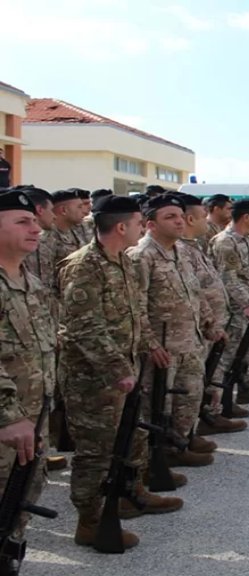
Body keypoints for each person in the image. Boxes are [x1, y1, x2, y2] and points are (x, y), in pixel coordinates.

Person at [60, 195, 173, 550]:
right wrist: (115, 368)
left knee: (130, 437)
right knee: (96, 451)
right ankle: (90, 521)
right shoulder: (84, 265)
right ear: (122, 227)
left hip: (125, 368)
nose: (143, 228)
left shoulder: (122, 260)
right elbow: (84, 326)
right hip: (93, 378)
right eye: (140, 223)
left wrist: (147, 346)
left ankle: (130, 493)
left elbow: (136, 312)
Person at [127, 194, 216, 469]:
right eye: (170, 217)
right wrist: (151, 344)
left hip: (189, 341)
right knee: (158, 404)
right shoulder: (142, 256)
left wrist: (209, 321)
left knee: (189, 395)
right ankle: (156, 458)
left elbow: (194, 292)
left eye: (179, 216)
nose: (179, 221)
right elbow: (135, 307)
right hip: (163, 348)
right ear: (150, 224)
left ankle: (180, 444)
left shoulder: (180, 252)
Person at [0, 189, 56, 543]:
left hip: (32, 421)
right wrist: (6, 414)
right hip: (8, 423)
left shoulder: (31, 283)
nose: (35, 229)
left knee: (16, 513)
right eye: (23, 221)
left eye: (36, 221)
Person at [174, 192, 247, 433]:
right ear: (191, 220)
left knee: (206, 376)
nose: (208, 222)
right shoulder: (179, 251)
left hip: (209, 325)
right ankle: (193, 428)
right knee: (190, 384)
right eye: (203, 216)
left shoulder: (192, 248)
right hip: (190, 331)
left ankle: (205, 419)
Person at [211, 200, 249, 405]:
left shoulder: (244, 240)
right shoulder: (225, 242)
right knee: (226, 357)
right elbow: (228, 278)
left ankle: (240, 392)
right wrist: (246, 303)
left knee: (245, 353)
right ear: (246, 217)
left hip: (246, 307)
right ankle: (216, 406)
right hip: (234, 309)